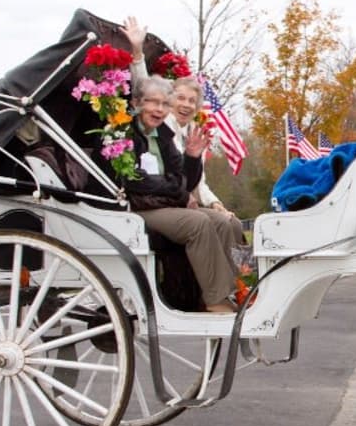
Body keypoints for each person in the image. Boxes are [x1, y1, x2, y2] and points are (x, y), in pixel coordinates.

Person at [93, 74, 239, 314]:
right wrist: (178, 192)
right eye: (153, 102)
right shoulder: (120, 134)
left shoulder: (162, 136)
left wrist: (192, 159)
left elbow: (184, 180)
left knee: (225, 222)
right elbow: (134, 180)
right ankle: (216, 300)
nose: (159, 109)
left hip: (163, 205)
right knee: (198, 223)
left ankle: (231, 290)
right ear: (137, 103)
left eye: (164, 104)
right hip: (136, 209)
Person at [121, 16, 246, 246]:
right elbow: (145, 89)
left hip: (177, 199)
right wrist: (137, 53)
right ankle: (217, 281)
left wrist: (213, 202)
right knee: (202, 223)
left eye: (192, 100)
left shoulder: (188, 130)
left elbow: (195, 180)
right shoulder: (162, 121)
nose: (186, 105)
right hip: (160, 203)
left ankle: (236, 276)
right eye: (180, 98)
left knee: (232, 223)